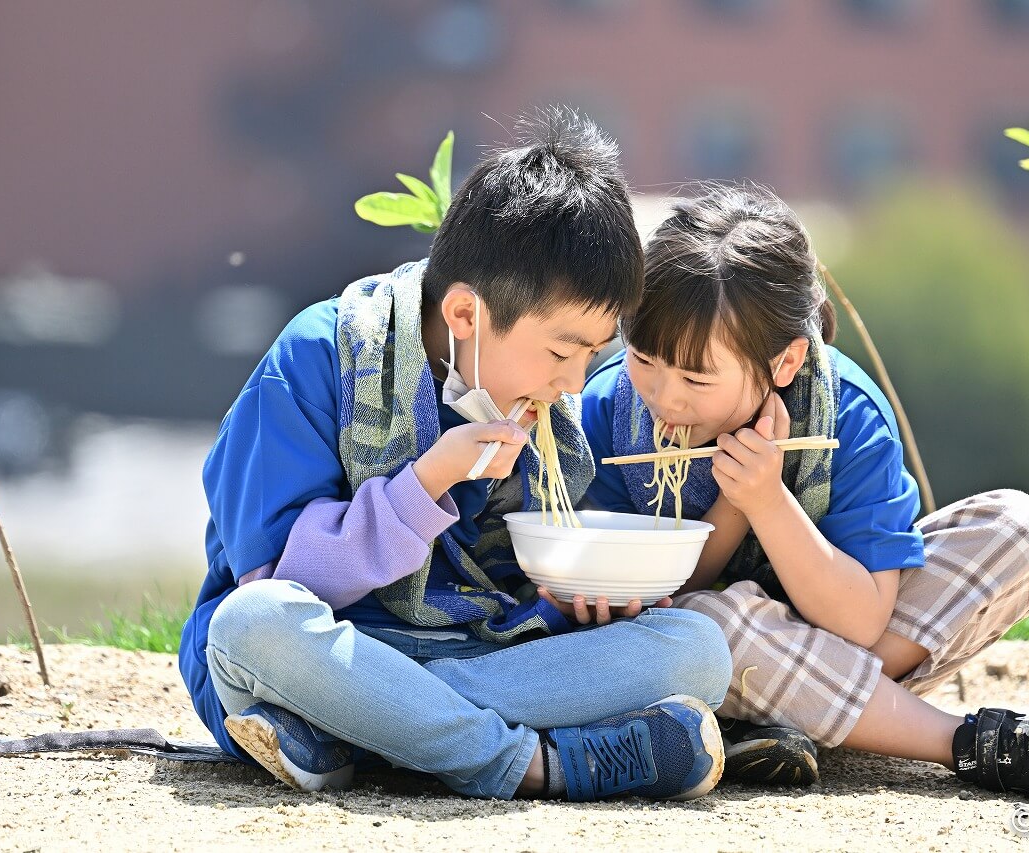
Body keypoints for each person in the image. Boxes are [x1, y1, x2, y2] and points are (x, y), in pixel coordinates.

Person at [178, 111, 733, 802]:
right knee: (251, 626)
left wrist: (570, 604)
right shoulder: (317, 357)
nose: (573, 383)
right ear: (467, 316)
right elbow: (283, 578)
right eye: (562, 352)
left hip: (463, 657)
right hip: (326, 647)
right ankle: (530, 764)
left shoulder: (538, 410)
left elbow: (505, 607)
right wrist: (429, 479)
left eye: (594, 354)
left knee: (698, 650)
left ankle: (376, 729)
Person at [580, 183, 1029, 806]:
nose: (665, 397)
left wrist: (772, 504)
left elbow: (859, 621)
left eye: (697, 376)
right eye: (644, 359)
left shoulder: (848, 415)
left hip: (838, 629)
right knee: (706, 626)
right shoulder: (609, 409)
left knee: (1021, 531)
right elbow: (667, 594)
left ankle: (781, 721)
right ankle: (966, 742)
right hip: (707, 645)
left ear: (785, 361)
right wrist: (734, 503)